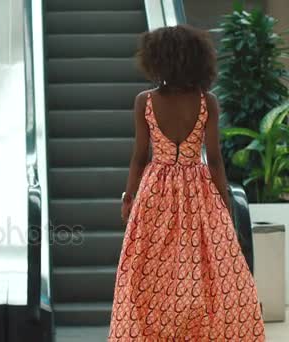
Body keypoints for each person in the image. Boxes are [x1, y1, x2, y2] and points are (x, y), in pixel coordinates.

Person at [108, 25, 265, 341]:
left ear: (158, 60)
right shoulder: (207, 102)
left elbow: (139, 157)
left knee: (149, 269)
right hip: (198, 188)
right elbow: (216, 160)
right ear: (196, 60)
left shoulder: (145, 101)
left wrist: (129, 197)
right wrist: (225, 208)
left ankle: (154, 332)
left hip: (155, 191)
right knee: (202, 268)